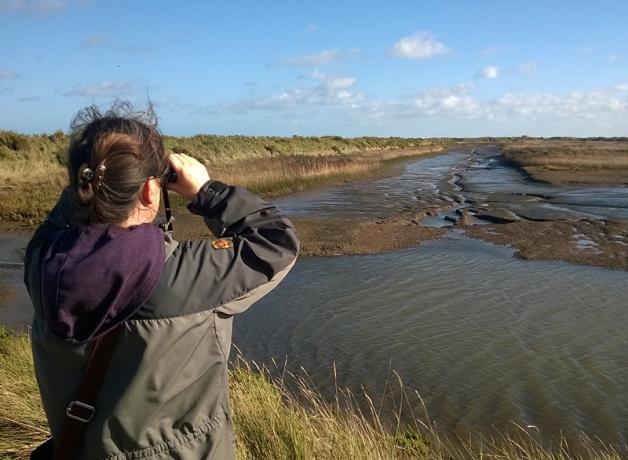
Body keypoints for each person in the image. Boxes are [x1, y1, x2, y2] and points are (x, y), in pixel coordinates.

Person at [24, 102, 299, 458]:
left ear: (80, 182)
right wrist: (207, 190)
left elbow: (66, 214)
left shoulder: (42, 259)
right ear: (151, 192)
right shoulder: (184, 275)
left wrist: (97, 176)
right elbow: (277, 242)